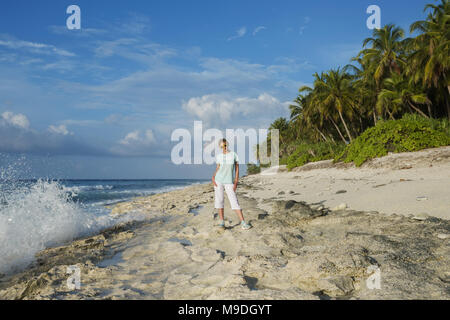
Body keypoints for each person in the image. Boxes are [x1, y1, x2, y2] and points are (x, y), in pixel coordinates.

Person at [212, 138, 251, 230]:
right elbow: (218, 168)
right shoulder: (219, 156)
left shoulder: (234, 155)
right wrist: (213, 177)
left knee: (234, 201)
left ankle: (243, 223)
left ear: (227, 145)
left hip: (229, 181)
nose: (224, 147)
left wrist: (236, 180)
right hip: (218, 180)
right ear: (220, 147)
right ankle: (222, 223)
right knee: (220, 201)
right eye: (222, 146)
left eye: (225, 145)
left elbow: (237, 168)